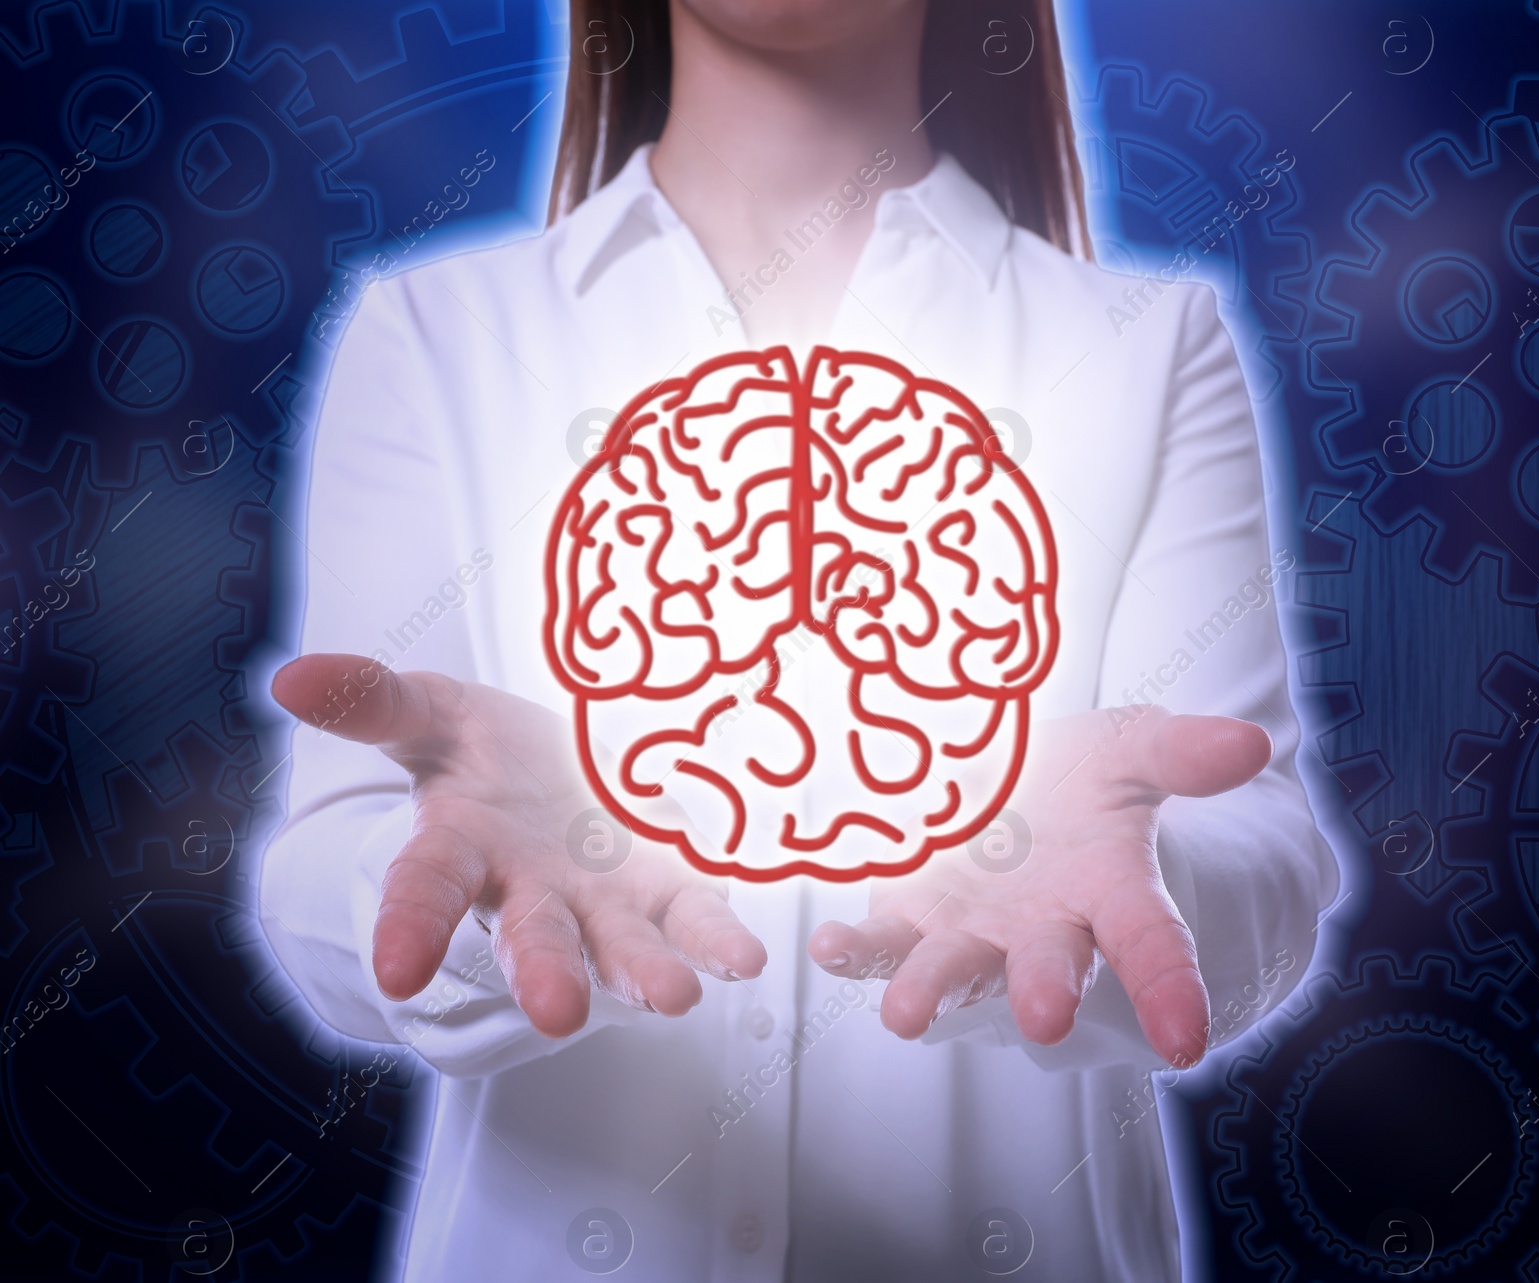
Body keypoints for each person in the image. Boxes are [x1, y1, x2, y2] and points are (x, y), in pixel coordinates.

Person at [261, 1, 1339, 1279]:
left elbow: (1261, 869)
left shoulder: (1148, 346)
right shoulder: (438, 334)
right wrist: (465, 900)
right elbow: (321, 889)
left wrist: (1136, 893)